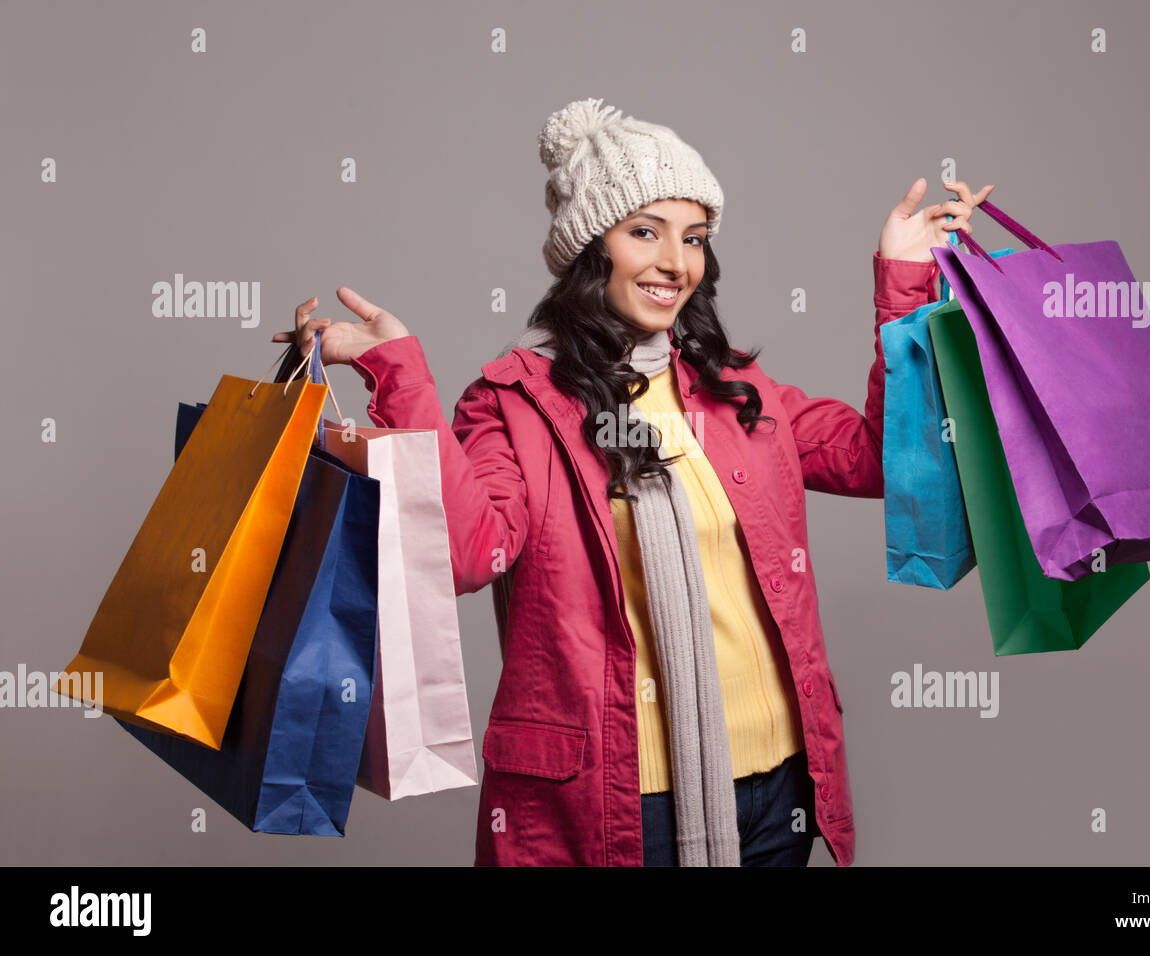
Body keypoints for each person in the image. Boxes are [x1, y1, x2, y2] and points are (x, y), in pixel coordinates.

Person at [273, 97, 992, 866]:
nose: (675, 263)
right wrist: (400, 371)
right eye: (644, 232)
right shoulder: (517, 404)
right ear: (590, 247)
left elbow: (885, 457)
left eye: (694, 238)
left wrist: (906, 283)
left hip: (779, 790)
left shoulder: (736, 392)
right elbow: (466, 554)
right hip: (621, 805)